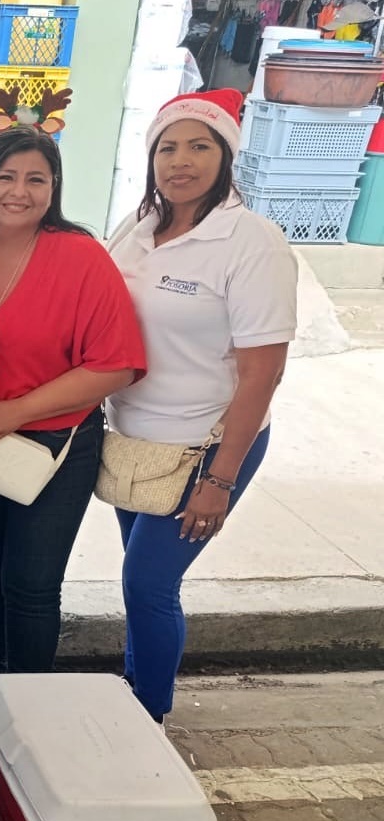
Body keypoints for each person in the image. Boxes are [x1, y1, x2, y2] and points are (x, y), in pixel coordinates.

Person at [0, 125, 146, 713]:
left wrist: (17, 411)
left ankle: (28, 702)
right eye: (5, 176)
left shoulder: (80, 256)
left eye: (36, 179)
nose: (19, 191)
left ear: (54, 188)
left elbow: (117, 365)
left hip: (57, 442)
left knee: (30, 582)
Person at [107, 90, 296, 723]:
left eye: (199, 146)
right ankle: (134, 687)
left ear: (226, 157)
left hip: (206, 444)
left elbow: (264, 372)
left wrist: (220, 480)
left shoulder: (252, 242)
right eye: (167, 147)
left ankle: (149, 715)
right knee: (138, 580)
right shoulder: (137, 230)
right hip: (136, 441)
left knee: (150, 583)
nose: (180, 161)